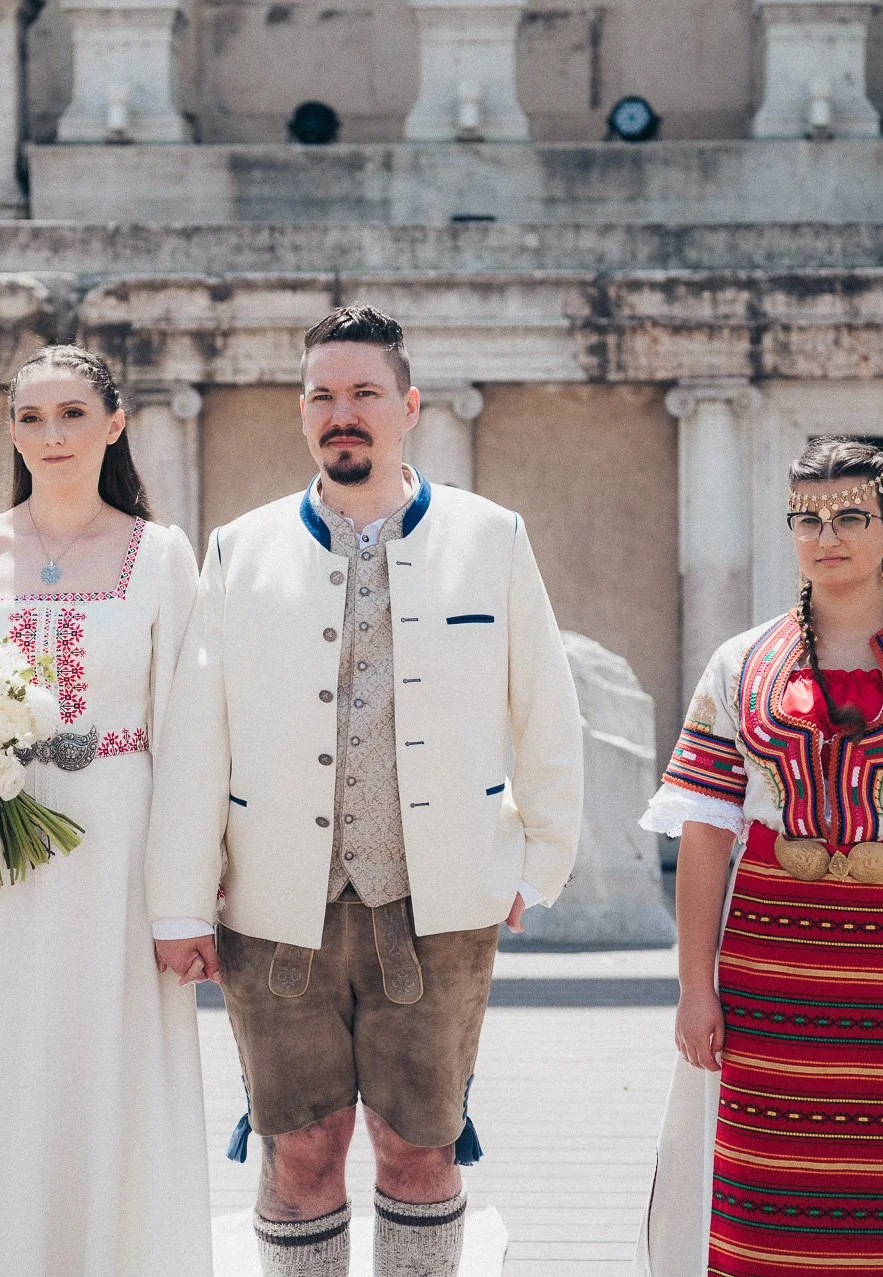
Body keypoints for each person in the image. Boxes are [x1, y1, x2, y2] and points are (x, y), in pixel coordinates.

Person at [147, 305, 585, 1277]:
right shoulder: (241, 547)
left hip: (442, 904)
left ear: (409, 407)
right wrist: (180, 901)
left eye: (363, 394)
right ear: (303, 414)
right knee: (298, 1151)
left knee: (418, 1148)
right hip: (273, 906)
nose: (341, 413)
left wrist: (537, 862)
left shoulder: (491, 536)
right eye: (322, 396)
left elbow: (547, 710)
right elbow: (195, 741)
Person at [637, 438, 883, 1277]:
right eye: (808, 517)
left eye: (852, 514)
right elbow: (707, 838)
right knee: (762, 1199)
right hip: (767, 980)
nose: (829, 534)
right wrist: (693, 987)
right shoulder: (737, 664)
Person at [0, 345, 213, 1275]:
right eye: (31, 417)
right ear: (13, 431)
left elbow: (190, 736)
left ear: (114, 423)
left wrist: (185, 900)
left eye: (72, 415)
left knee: (105, 1065)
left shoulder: (163, 555)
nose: (51, 435)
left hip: (119, 848)